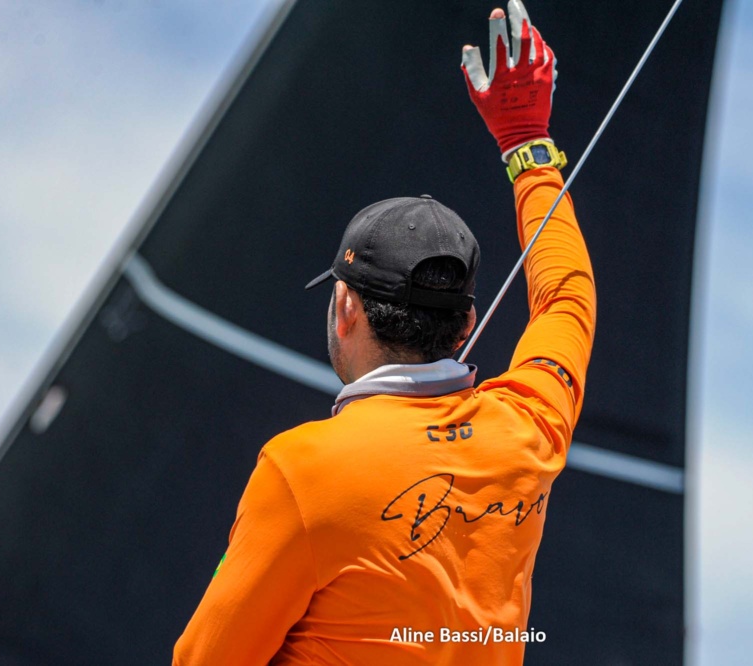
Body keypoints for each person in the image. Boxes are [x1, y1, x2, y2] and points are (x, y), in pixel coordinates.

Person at [173, 1, 595, 663]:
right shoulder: (529, 427)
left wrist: (524, 144)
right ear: (467, 324)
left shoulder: (301, 470)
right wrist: (527, 145)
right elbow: (566, 297)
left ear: (345, 306)